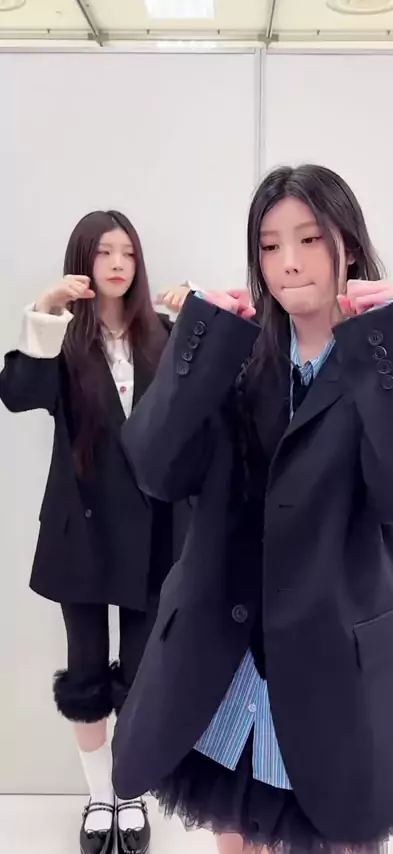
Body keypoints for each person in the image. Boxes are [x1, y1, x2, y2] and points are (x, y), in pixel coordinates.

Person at [111, 166, 393, 854]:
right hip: (223, 661)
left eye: (309, 239)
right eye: (270, 245)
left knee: (341, 836)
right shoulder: (235, 360)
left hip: (335, 670)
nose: (289, 262)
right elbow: (155, 470)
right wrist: (199, 340)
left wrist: (388, 339)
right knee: (237, 836)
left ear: (348, 247)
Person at [0, 211, 190, 854]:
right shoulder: (64, 342)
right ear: (82, 261)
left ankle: (129, 792)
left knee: (139, 673)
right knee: (85, 673)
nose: (117, 264)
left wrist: (201, 321)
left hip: (153, 532)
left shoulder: (163, 336)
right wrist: (45, 309)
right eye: (104, 252)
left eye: (127, 252)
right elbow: (17, 393)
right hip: (80, 533)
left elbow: (215, 398)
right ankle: (99, 797)